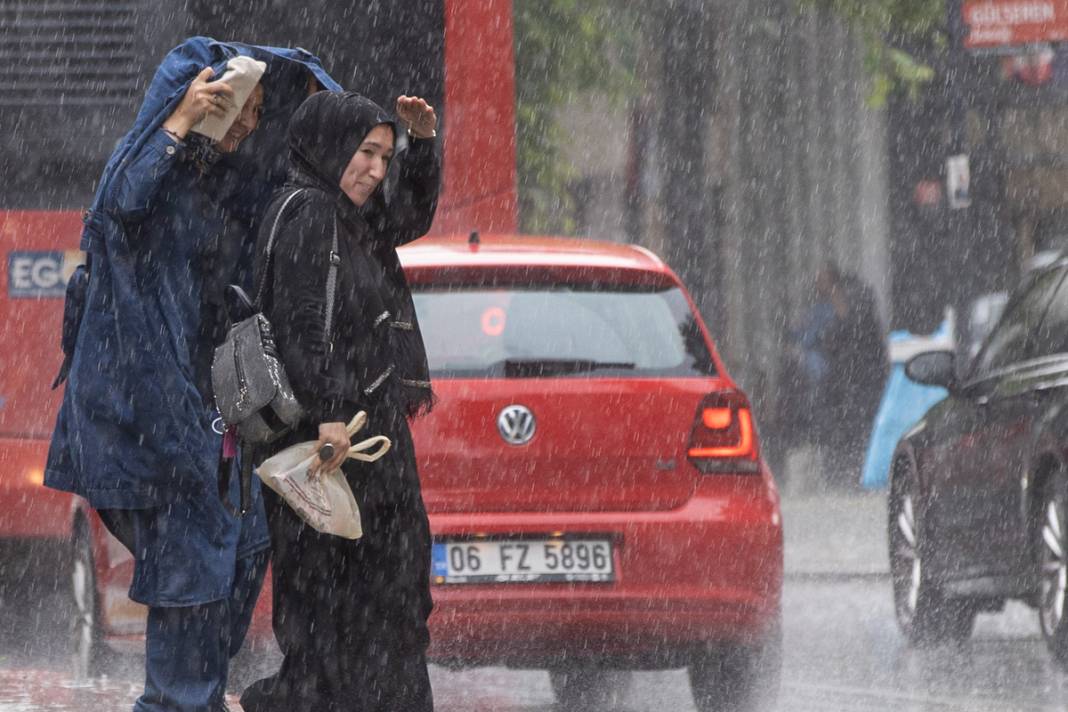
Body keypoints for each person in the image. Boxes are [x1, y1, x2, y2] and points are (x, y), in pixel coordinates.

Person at [44, 38, 341, 712]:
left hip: (217, 423)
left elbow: (294, 176)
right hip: (161, 428)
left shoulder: (222, 179)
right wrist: (180, 120)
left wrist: (316, 101)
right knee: (192, 583)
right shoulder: (148, 171)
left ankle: (194, 695)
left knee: (240, 557)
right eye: (246, 107)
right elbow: (116, 204)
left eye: (260, 111)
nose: (252, 123)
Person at [239, 91, 440, 712]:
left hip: (358, 437)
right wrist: (328, 414)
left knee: (382, 597)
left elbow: (404, 215)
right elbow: (302, 325)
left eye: (384, 154)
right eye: (365, 152)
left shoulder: (345, 217)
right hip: (333, 442)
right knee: (344, 605)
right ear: (329, 148)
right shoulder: (310, 215)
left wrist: (423, 148)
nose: (377, 170)